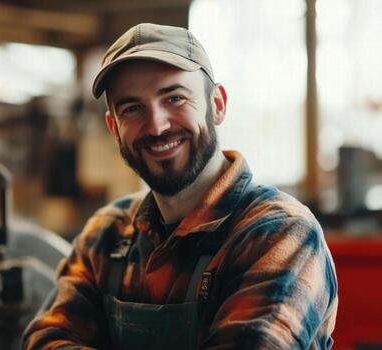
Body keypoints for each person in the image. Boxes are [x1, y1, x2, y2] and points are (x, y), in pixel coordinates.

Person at [23, 23, 338, 350]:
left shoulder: (278, 233)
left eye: (174, 97)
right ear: (114, 129)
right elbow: (46, 339)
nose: (157, 126)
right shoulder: (107, 232)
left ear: (216, 104)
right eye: (132, 108)